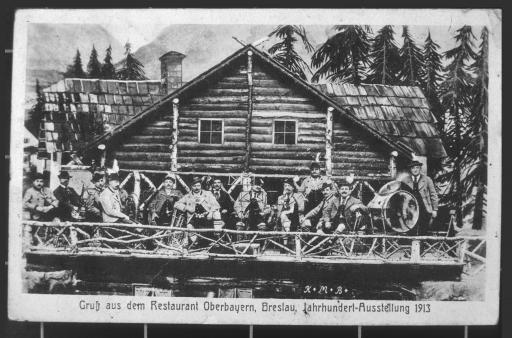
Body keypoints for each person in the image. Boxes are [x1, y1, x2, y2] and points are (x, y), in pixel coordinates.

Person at [398, 160, 439, 234]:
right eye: (413, 168)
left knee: (423, 230)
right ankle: (413, 244)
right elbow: (401, 197)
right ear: (410, 169)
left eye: (417, 168)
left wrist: (435, 209)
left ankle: (422, 244)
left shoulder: (427, 179)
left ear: (420, 169)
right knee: (411, 230)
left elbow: (433, 194)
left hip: (424, 208)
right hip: (410, 209)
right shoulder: (405, 180)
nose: (415, 170)